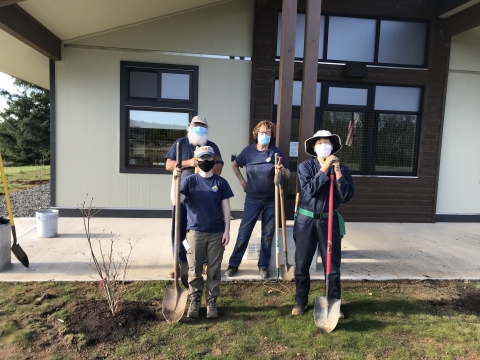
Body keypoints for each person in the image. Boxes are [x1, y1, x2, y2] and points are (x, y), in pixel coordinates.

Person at [291, 130, 354, 316]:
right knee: (302, 263)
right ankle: (300, 301)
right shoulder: (305, 167)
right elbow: (309, 189)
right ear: (314, 147)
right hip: (305, 221)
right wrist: (325, 168)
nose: (324, 145)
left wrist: (338, 173)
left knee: (332, 266)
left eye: (327, 142)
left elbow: (346, 196)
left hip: (329, 221)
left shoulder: (343, 169)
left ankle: (333, 302)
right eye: (320, 143)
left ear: (333, 147)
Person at [171, 145, 233, 319]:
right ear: (196, 161)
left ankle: (212, 302)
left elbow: (226, 207)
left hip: (216, 233)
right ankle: (195, 300)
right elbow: (176, 201)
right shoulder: (189, 181)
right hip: (195, 233)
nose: (205, 161)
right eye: (202, 158)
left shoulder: (221, 182)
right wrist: (175, 179)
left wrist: (227, 230)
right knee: (194, 269)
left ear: (213, 160)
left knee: (214, 269)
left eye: (208, 158)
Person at [224, 120, 290, 279]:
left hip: (271, 199)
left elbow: (287, 174)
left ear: (271, 135)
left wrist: (282, 170)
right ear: (256, 134)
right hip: (252, 198)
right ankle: (233, 264)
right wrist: (242, 182)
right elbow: (234, 165)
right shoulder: (248, 152)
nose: (264, 135)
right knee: (244, 232)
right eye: (262, 132)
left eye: (268, 133)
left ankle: (263, 266)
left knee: (268, 234)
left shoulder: (275, 152)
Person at [165, 115, 223, 278]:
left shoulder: (212, 146)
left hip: (204, 197)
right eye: (196, 124)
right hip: (182, 194)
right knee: (180, 228)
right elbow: (169, 164)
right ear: (189, 126)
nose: (199, 127)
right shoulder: (180, 144)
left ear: (207, 129)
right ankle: (179, 263)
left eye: (202, 125)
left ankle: (203, 262)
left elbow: (219, 168)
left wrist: (206, 163)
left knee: (202, 230)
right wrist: (190, 163)